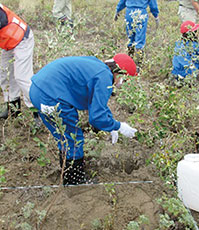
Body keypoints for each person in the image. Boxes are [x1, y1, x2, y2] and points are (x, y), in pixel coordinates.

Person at [29, 54, 138, 185]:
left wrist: (110, 121)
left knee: (64, 136)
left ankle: (67, 171)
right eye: (125, 80)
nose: (122, 84)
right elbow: (96, 117)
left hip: (37, 90)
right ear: (120, 73)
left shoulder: (98, 66)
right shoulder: (105, 78)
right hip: (50, 97)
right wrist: (118, 126)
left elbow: (97, 105)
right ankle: (74, 181)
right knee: (73, 139)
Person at [0, 4, 39, 122]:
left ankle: (38, 111)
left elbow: (2, 20)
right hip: (8, 42)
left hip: (22, 39)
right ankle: (14, 109)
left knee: (22, 78)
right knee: (4, 74)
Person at [114, 0, 159, 65]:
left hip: (129, 12)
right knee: (140, 39)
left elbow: (122, 1)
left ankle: (130, 60)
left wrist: (117, 10)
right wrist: (156, 15)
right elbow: (153, 5)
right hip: (141, 13)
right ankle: (138, 64)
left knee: (130, 37)